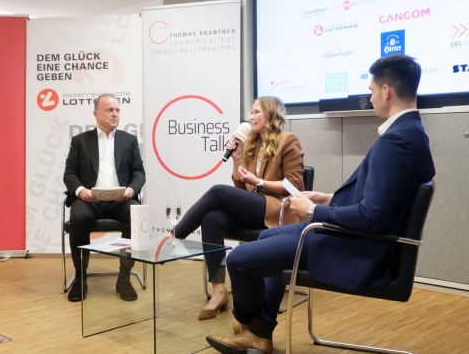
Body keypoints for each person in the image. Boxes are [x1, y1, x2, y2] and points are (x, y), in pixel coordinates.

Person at [205, 54, 436, 354]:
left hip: (353, 245)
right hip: (350, 234)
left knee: (239, 259)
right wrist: (326, 198)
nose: (371, 96)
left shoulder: (398, 141)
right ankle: (260, 334)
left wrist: (313, 210)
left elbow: (371, 217)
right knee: (265, 238)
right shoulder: (410, 134)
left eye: (372, 90)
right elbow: (379, 200)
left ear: (387, 91)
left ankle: (247, 323)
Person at [172, 96, 305, 320]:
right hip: (254, 206)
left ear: (271, 115)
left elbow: (295, 186)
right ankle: (218, 291)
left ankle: (175, 235)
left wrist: (259, 182)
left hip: (277, 210)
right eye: (251, 112)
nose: (251, 117)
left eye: (256, 112)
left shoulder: (288, 140)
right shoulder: (252, 143)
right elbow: (240, 186)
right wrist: (236, 159)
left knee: (217, 192)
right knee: (212, 219)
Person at [63, 93, 146, 302]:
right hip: (90, 199)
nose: (115, 114)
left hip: (120, 200)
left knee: (134, 214)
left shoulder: (129, 140)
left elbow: (139, 173)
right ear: (96, 113)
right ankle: (81, 277)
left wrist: (131, 190)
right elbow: (70, 174)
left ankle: (124, 277)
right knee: (79, 217)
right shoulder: (80, 141)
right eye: (110, 110)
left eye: (117, 110)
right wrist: (82, 191)